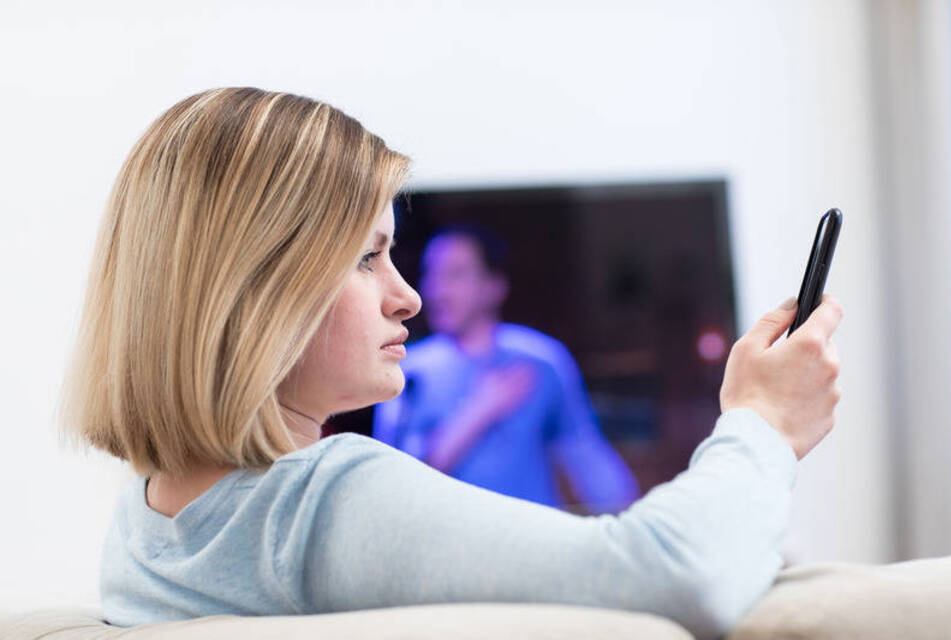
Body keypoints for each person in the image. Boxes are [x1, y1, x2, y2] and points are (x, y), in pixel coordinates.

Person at [59, 87, 843, 640]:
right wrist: (763, 425)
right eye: (368, 259)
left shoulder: (144, 526)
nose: (409, 298)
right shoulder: (320, 503)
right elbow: (678, 578)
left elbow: (589, 467)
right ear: (256, 289)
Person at [373, 224, 640, 513]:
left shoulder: (541, 360)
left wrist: (635, 520)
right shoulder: (409, 370)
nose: (437, 290)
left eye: (455, 275)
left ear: (494, 286)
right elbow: (396, 481)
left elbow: (586, 454)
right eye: (431, 275)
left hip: (534, 542)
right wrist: (480, 411)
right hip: (450, 549)